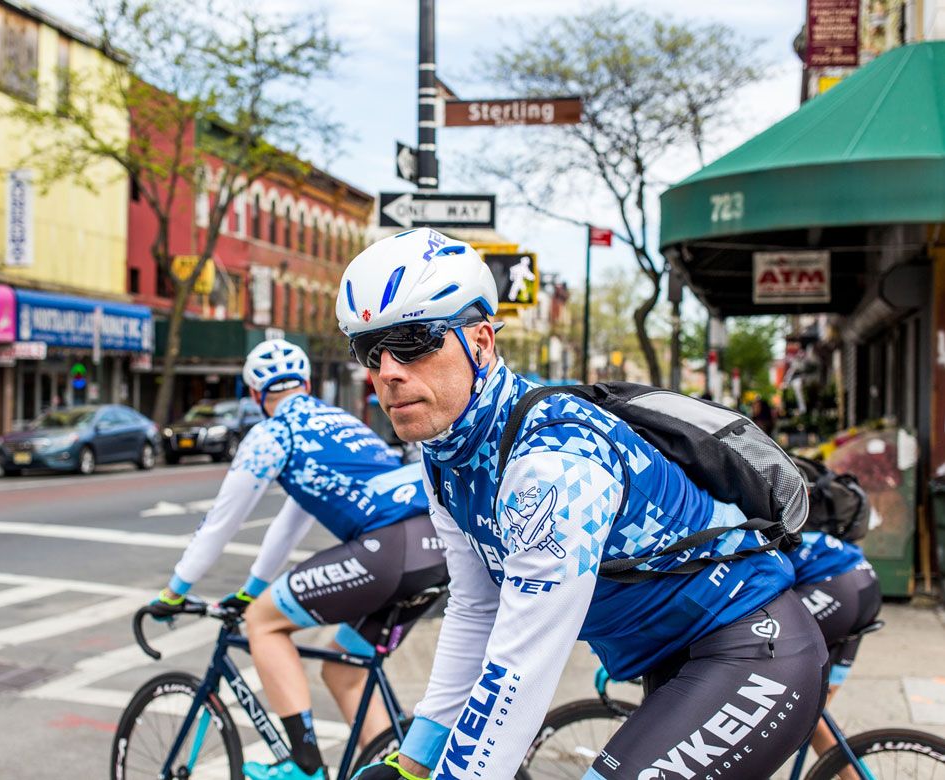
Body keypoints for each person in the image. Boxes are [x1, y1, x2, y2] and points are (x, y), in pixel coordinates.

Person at [339, 229, 828, 780]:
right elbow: (477, 611)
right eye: (369, 351)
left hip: (749, 648)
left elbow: (523, 664)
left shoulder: (555, 462)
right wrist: (413, 761)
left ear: (480, 341)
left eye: (413, 341)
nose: (388, 371)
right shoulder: (444, 457)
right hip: (676, 662)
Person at [146, 338, 447, 780]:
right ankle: (397, 768)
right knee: (343, 671)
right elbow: (290, 524)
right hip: (434, 550)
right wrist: (250, 589)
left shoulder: (272, 435)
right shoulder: (335, 422)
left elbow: (220, 523)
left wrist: (175, 592)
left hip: (391, 548)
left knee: (263, 622)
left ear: (254, 394)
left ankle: (304, 765)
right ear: (306, 383)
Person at [787, 530, 880, 761]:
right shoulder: (792, 527)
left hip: (837, 589)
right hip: (865, 584)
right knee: (813, 712)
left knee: (795, 702)